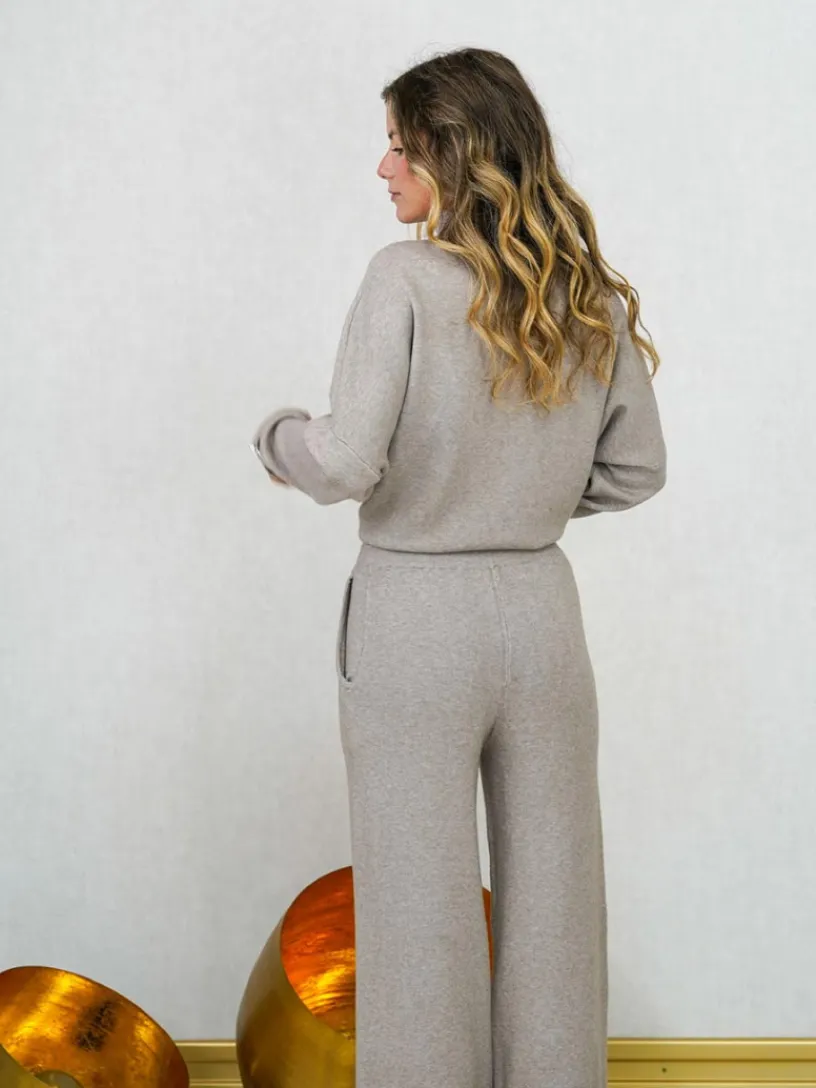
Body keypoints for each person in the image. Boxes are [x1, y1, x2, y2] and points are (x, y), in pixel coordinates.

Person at [251, 47, 666, 1088]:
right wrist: (520, 498)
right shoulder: (583, 292)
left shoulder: (403, 279)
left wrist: (276, 438)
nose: (383, 167)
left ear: (452, 152)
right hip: (542, 613)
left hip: (415, 618)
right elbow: (636, 470)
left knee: (418, 906)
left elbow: (345, 458)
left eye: (400, 145)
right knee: (557, 898)